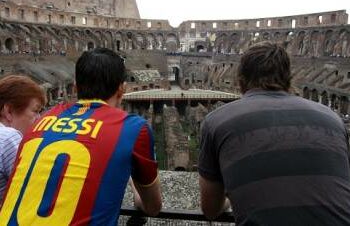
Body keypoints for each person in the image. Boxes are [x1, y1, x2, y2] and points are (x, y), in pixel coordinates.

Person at [0, 48, 162, 225]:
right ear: (121, 90)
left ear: (76, 87)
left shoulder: (42, 120)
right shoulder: (134, 128)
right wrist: (132, 182)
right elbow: (152, 207)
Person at [198, 42, 350, 225]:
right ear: (289, 79)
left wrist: (231, 197)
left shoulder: (217, 121)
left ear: (240, 80)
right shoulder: (333, 120)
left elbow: (210, 210)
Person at [0, 75, 45, 203]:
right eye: (35, 111)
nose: (39, 118)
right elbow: (34, 188)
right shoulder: (8, 137)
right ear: (8, 111)